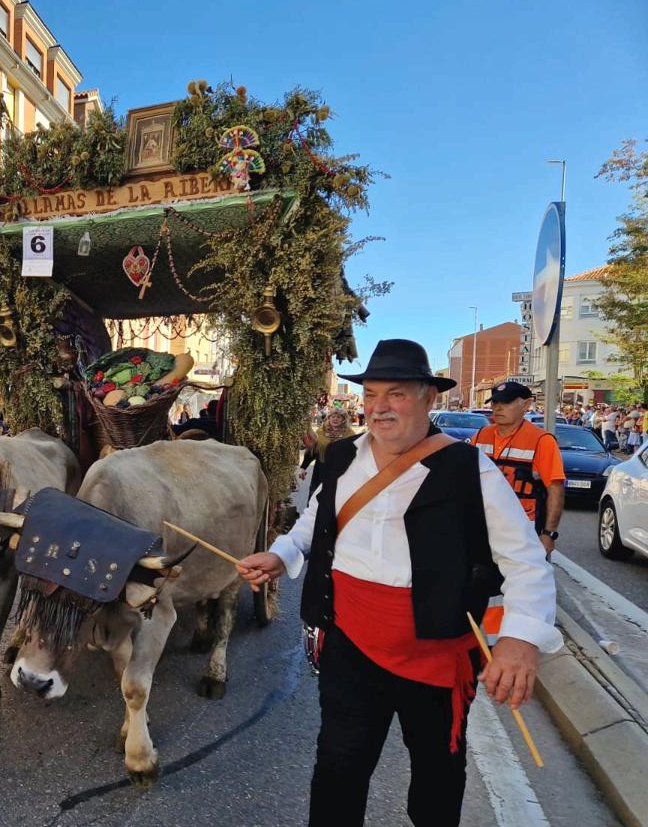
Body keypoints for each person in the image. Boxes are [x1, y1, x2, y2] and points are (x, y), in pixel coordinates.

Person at [236, 339, 560, 827]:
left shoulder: (470, 468)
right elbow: (316, 519)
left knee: (436, 777)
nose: (379, 407)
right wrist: (283, 553)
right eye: (371, 394)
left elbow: (527, 561)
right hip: (350, 645)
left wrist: (519, 640)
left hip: (435, 656)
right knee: (338, 769)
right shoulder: (342, 457)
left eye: (396, 394)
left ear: (430, 398)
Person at [471, 381, 565, 551]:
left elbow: (555, 489)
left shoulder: (541, 441)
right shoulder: (480, 436)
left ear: (526, 405)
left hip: (523, 531)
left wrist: (549, 534)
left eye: (506, 403)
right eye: (495, 403)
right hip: (484, 527)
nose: (498, 408)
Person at [300, 408, 356, 499]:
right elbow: (312, 451)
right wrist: (303, 467)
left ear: (343, 419)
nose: (335, 419)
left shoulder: (349, 434)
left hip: (340, 471)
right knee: (315, 496)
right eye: (333, 417)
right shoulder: (320, 432)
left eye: (338, 417)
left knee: (335, 498)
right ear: (328, 418)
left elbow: (354, 453)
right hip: (321, 470)